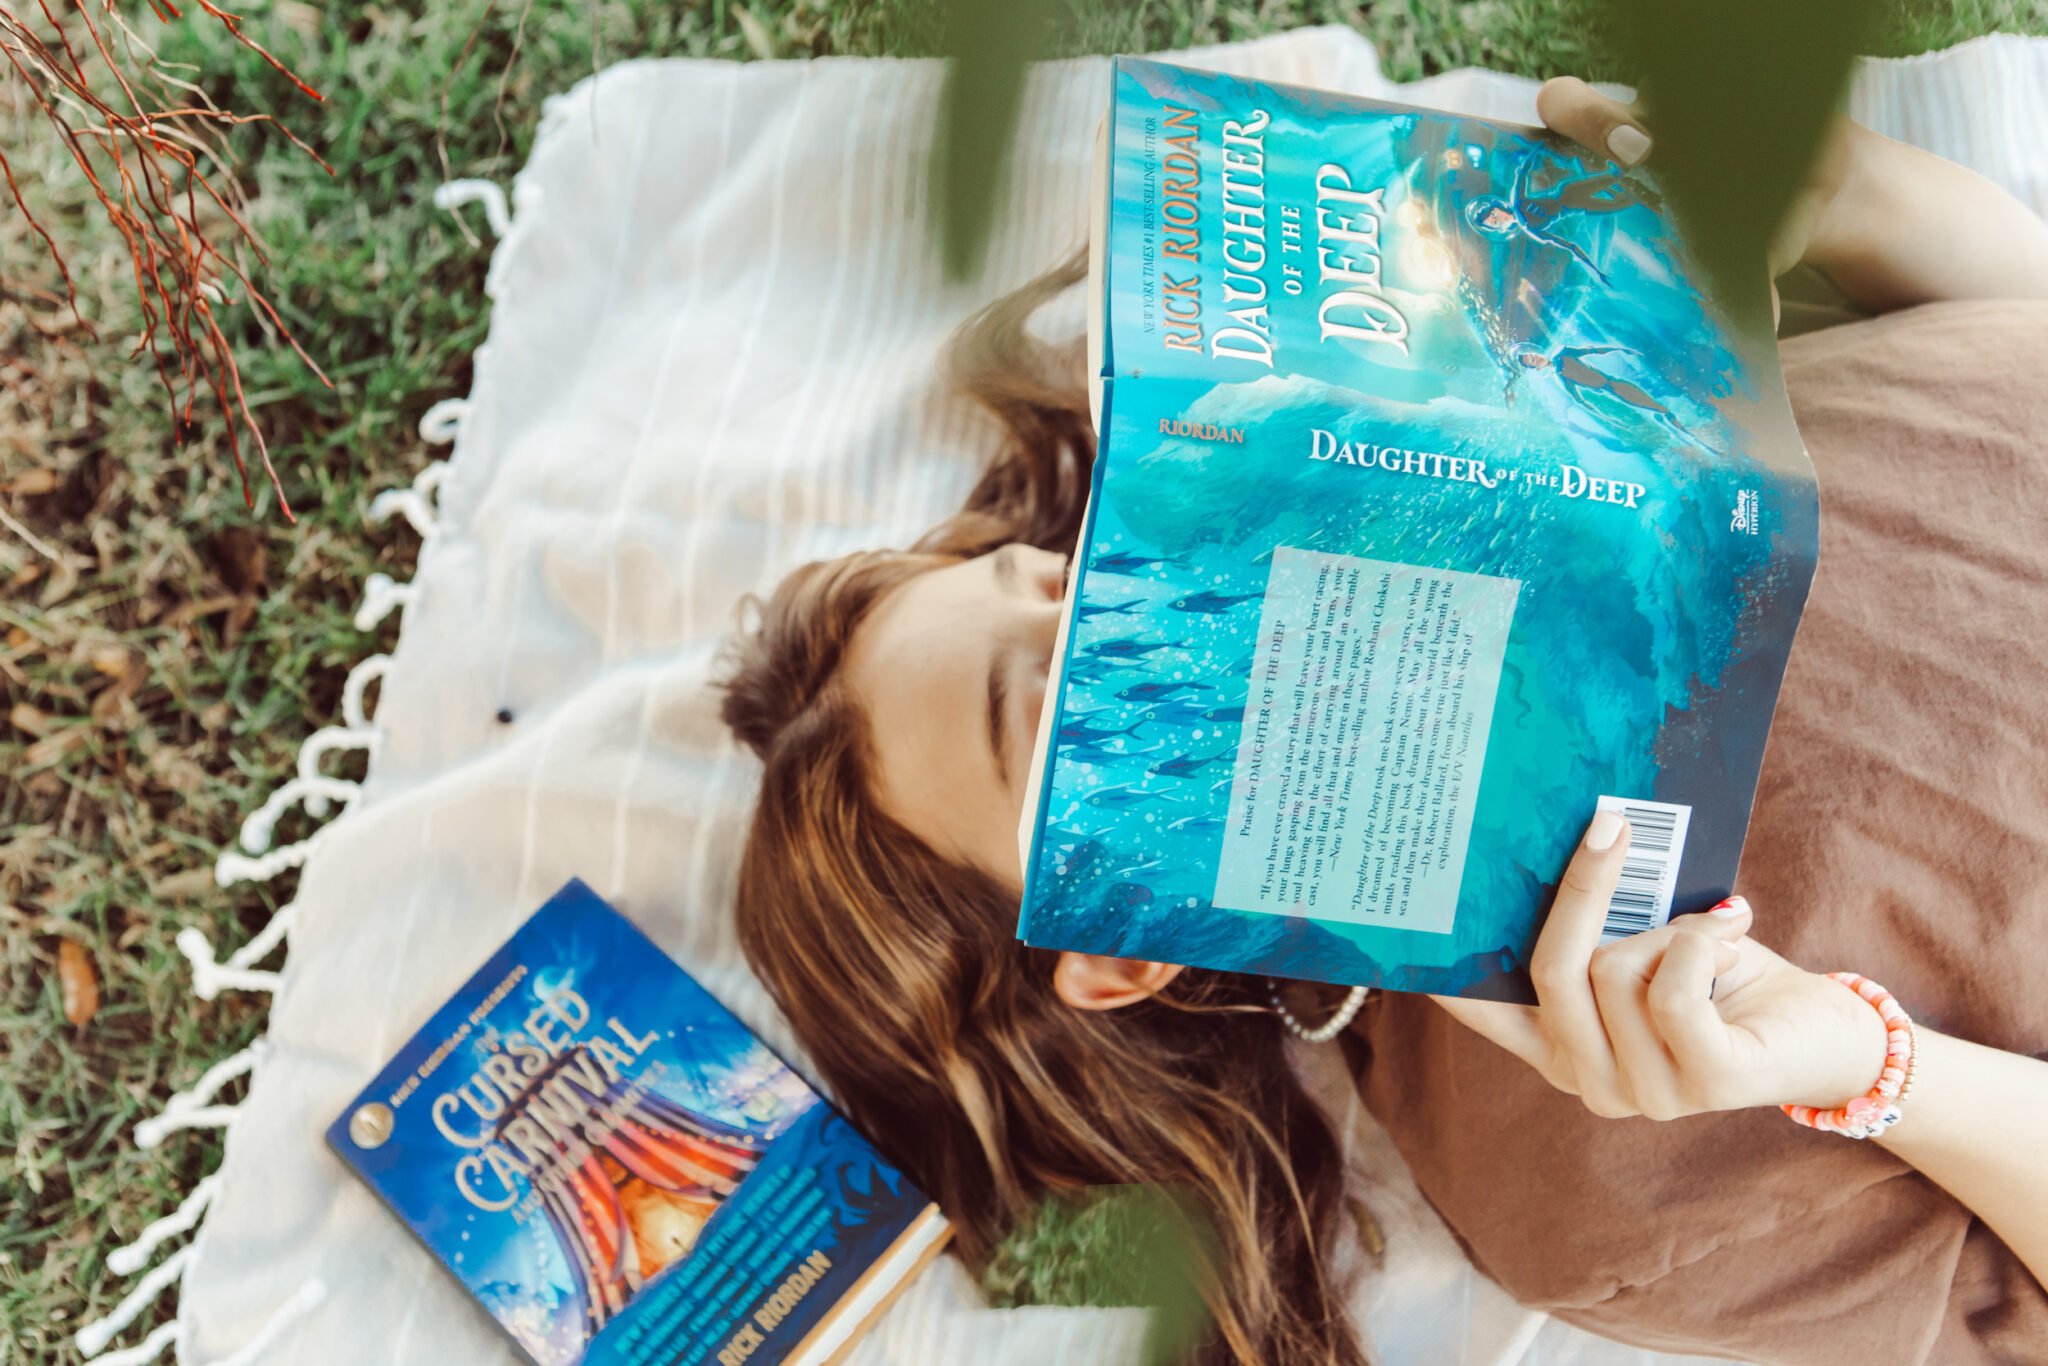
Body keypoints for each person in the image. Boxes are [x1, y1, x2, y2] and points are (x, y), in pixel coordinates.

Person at [716, 76, 2048, 1365]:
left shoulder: (1453, 442)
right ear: (1117, 950)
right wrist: (1878, 1062)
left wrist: (1839, 194)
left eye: (1063, 579)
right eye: (1052, 702)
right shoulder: (1572, 1167)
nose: (1118, 603)